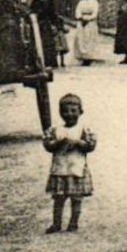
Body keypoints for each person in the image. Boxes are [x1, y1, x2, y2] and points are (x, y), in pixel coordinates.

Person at [41, 93, 95, 233]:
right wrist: (59, 142)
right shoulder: (56, 130)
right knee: (58, 199)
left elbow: (90, 146)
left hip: (76, 170)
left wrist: (77, 142)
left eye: (73, 111)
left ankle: (73, 223)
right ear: (60, 112)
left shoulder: (84, 129)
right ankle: (56, 224)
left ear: (80, 111)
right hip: (60, 169)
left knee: (76, 199)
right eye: (65, 111)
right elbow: (48, 145)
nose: (69, 114)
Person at [28, 0, 67, 69]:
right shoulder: (36, 0)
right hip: (37, 25)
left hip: (44, 25)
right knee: (40, 43)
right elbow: (31, 11)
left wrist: (56, 24)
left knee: (47, 44)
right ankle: (39, 61)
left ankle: (48, 61)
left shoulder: (48, 1)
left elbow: (53, 14)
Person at [72, 0, 102, 65]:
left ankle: (89, 57)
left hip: (90, 23)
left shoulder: (94, 2)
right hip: (81, 23)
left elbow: (95, 13)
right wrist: (81, 18)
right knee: (81, 39)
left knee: (89, 39)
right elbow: (77, 11)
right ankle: (82, 56)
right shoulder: (81, 2)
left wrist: (88, 19)